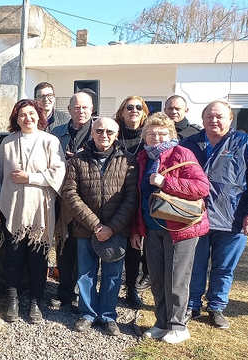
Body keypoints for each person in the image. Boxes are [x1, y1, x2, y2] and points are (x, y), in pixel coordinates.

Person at [181, 100, 248, 329]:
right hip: (195, 218)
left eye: (220, 116)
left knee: (224, 268)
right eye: (209, 116)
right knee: (195, 265)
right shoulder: (188, 144)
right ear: (202, 120)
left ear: (230, 118)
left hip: (233, 219)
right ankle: (192, 306)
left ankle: (216, 307)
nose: (214, 120)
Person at [130, 113, 210, 344]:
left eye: (162, 133)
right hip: (153, 226)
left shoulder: (181, 154)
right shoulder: (144, 157)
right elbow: (140, 196)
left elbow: (202, 187)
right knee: (157, 277)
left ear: (172, 135)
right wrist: (137, 229)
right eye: (151, 133)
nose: (156, 137)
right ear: (144, 136)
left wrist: (166, 182)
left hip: (180, 228)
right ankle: (162, 323)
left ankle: (178, 325)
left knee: (176, 278)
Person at [61, 117, 138, 336]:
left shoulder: (128, 160)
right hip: (86, 229)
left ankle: (108, 315)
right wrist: (95, 225)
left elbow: (132, 197)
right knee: (86, 273)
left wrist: (112, 227)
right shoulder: (77, 160)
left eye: (109, 132)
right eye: (99, 130)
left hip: (117, 229)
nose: (104, 135)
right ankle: (87, 314)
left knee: (113, 274)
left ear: (116, 135)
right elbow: (70, 193)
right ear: (92, 133)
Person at [0, 99, 65, 324]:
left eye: (31, 113)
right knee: (13, 256)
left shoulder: (50, 141)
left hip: (39, 210)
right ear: (16, 118)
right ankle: (12, 301)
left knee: (38, 258)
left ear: (39, 115)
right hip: (12, 208)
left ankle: (35, 303)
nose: (27, 118)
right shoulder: (7, 143)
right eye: (22, 114)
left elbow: (58, 173)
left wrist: (30, 178)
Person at [49, 91, 94, 312]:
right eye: (76, 107)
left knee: (84, 247)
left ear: (92, 109)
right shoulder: (57, 132)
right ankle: (64, 291)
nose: (81, 111)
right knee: (63, 245)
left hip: (89, 198)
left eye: (85, 107)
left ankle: (82, 293)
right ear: (69, 110)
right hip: (62, 195)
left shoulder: (99, 132)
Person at [113, 95, 150, 310]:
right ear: (122, 112)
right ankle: (109, 287)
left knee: (134, 246)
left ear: (144, 112)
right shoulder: (113, 135)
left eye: (138, 107)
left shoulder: (149, 138)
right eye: (129, 107)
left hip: (140, 197)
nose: (134, 110)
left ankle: (131, 289)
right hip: (115, 197)